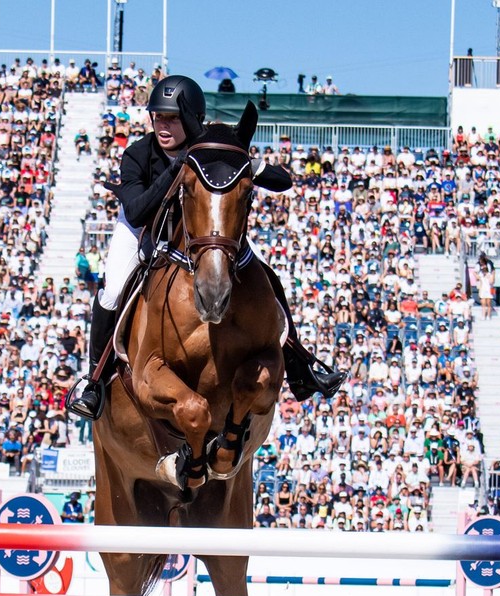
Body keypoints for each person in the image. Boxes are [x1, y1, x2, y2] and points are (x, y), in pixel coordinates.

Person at [65, 74, 345, 420]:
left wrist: (248, 163)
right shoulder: (139, 153)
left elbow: (283, 181)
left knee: (267, 276)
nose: (163, 125)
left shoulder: (210, 150)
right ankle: (94, 380)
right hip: (142, 231)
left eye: (172, 117)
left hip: (201, 236)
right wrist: (180, 169)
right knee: (113, 288)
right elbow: (137, 210)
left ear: (193, 119)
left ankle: (300, 364)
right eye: (158, 116)